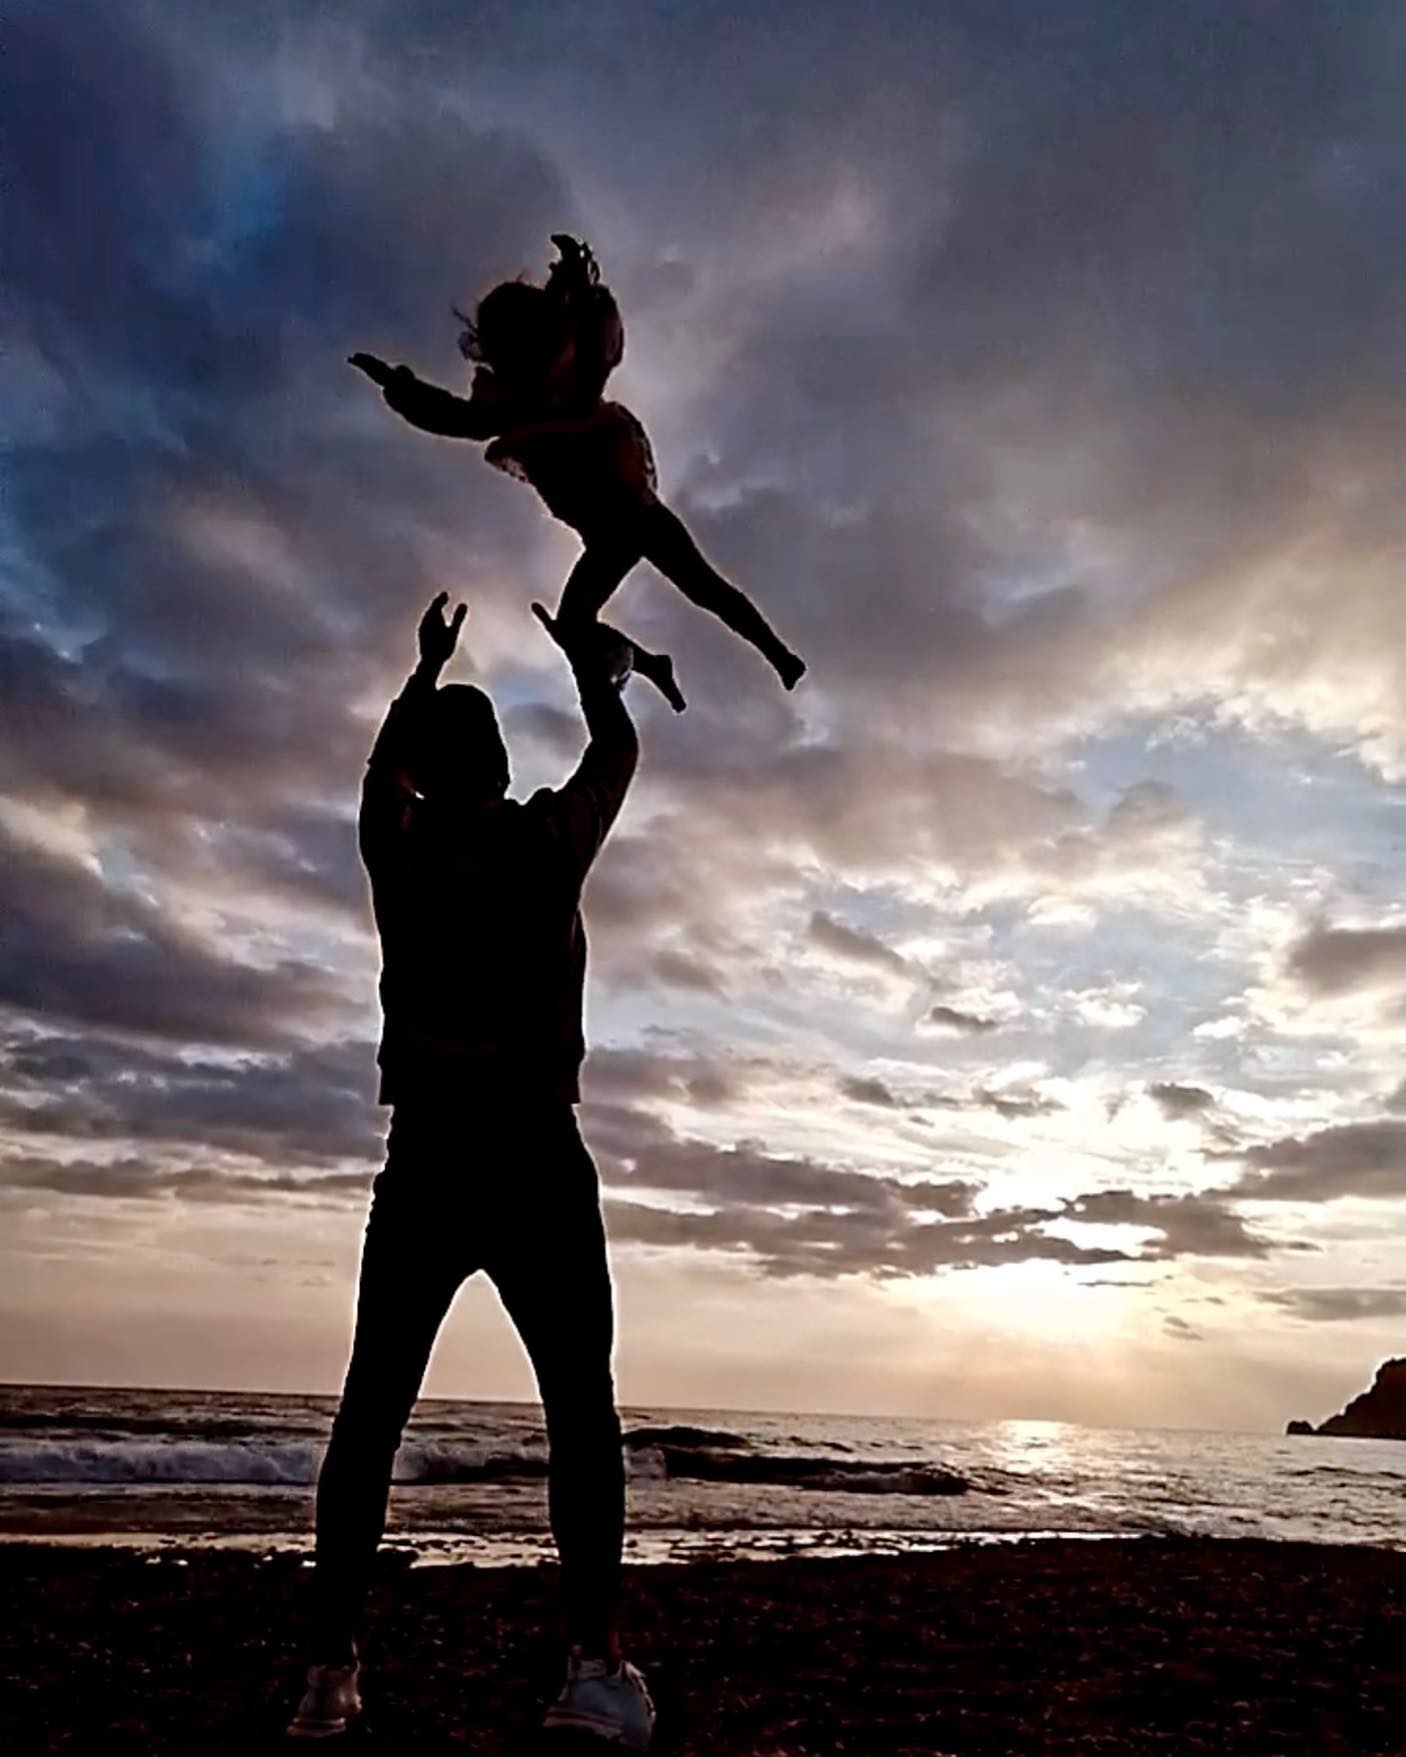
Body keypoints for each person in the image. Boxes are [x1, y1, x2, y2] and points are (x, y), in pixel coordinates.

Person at [286, 593, 654, 1749]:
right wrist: (592, 672)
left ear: (428, 770)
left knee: (372, 1410)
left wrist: (419, 670)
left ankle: (330, 1670)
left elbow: (375, 777)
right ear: (496, 764)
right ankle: (592, 1666)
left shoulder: (397, 851)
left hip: (428, 1161)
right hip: (537, 1156)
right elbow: (618, 751)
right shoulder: (546, 843)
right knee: (578, 1413)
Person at [349, 235, 806, 711]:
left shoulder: (577, 379)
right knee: (574, 623)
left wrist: (575, 278)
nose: (519, 365)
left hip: (635, 513)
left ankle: (777, 654)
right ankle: (651, 664)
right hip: (608, 536)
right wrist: (397, 386)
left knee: (703, 586)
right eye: (508, 354)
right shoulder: (509, 408)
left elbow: (593, 333)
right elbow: (450, 416)